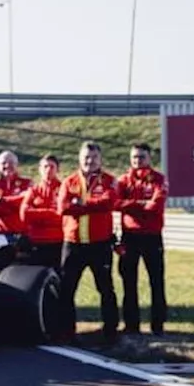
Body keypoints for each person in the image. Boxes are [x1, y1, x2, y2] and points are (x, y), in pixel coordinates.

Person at [55, 141, 121, 345]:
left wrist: (82, 203)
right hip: (73, 243)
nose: (89, 161)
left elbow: (110, 202)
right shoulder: (69, 181)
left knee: (106, 288)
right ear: (79, 159)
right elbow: (63, 208)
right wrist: (92, 205)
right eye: (86, 157)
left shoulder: (109, 180)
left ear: (100, 159)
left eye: (93, 158)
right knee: (67, 289)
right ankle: (67, 332)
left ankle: (110, 331)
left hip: (99, 244)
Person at [116, 143, 169, 335]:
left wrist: (130, 206)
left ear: (149, 158)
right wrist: (139, 204)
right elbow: (115, 202)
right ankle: (131, 325)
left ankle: (158, 325)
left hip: (152, 237)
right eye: (134, 157)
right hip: (129, 237)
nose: (138, 161)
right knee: (128, 281)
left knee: (156, 281)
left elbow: (155, 205)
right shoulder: (123, 180)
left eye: (142, 157)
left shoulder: (159, 179)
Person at [0, 151, 32, 272]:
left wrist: (3, 202)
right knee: (2, 273)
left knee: (23, 274)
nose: (7, 165)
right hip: (0, 238)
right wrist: (14, 207)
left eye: (11, 162)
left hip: (22, 237)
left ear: (17, 164)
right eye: (3, 163)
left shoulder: (27, 184)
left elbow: (27, 203)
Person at [17, 154, 64, 270]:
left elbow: (63, 216)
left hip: (58, 242)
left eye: (52, 167)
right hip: (37, 242)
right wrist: (50, 213)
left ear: (57, 169)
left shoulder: (64, 189)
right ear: (40, 169)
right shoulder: (34, 191)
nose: (48, 170)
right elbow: (25, 214)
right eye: (45, 166)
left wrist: (38, 215)